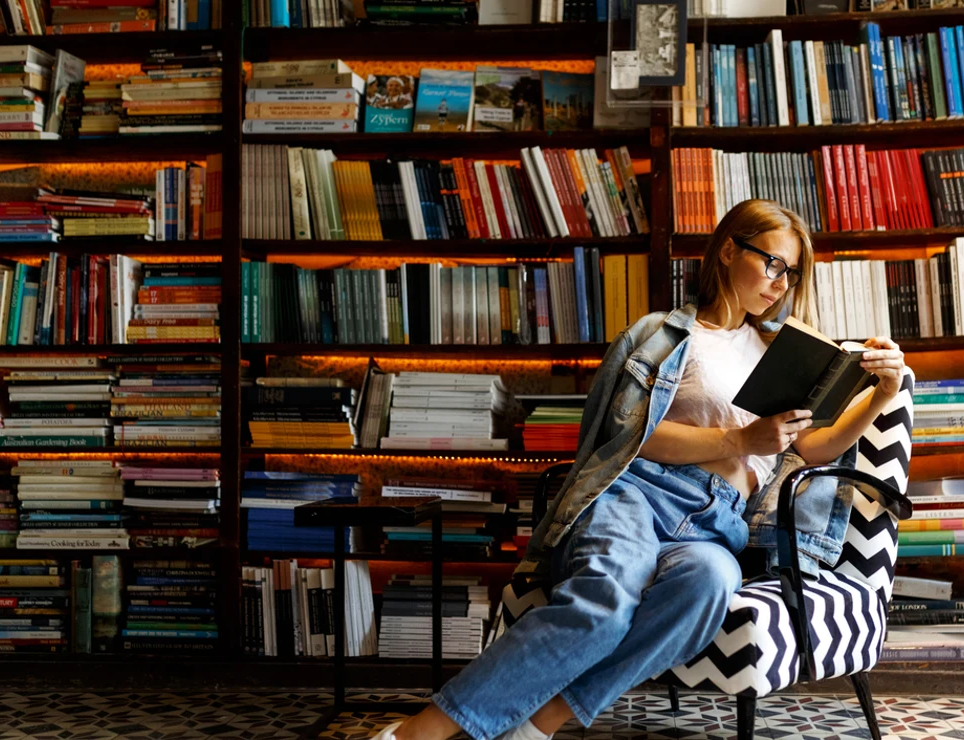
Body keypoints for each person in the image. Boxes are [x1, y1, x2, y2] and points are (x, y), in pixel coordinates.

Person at [372, 199, 906, 740]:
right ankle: (419, 732)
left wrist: (883, 393)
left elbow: (815, 447)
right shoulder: (663, 337)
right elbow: (627, 437)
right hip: (638, 493)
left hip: (716, 522)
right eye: (772, 263)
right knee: (606, 598)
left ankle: (540, 723)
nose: (780, 282)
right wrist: (741, 438)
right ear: (727, 250)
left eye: (791, 273)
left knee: (711, 584)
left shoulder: (782, 352)